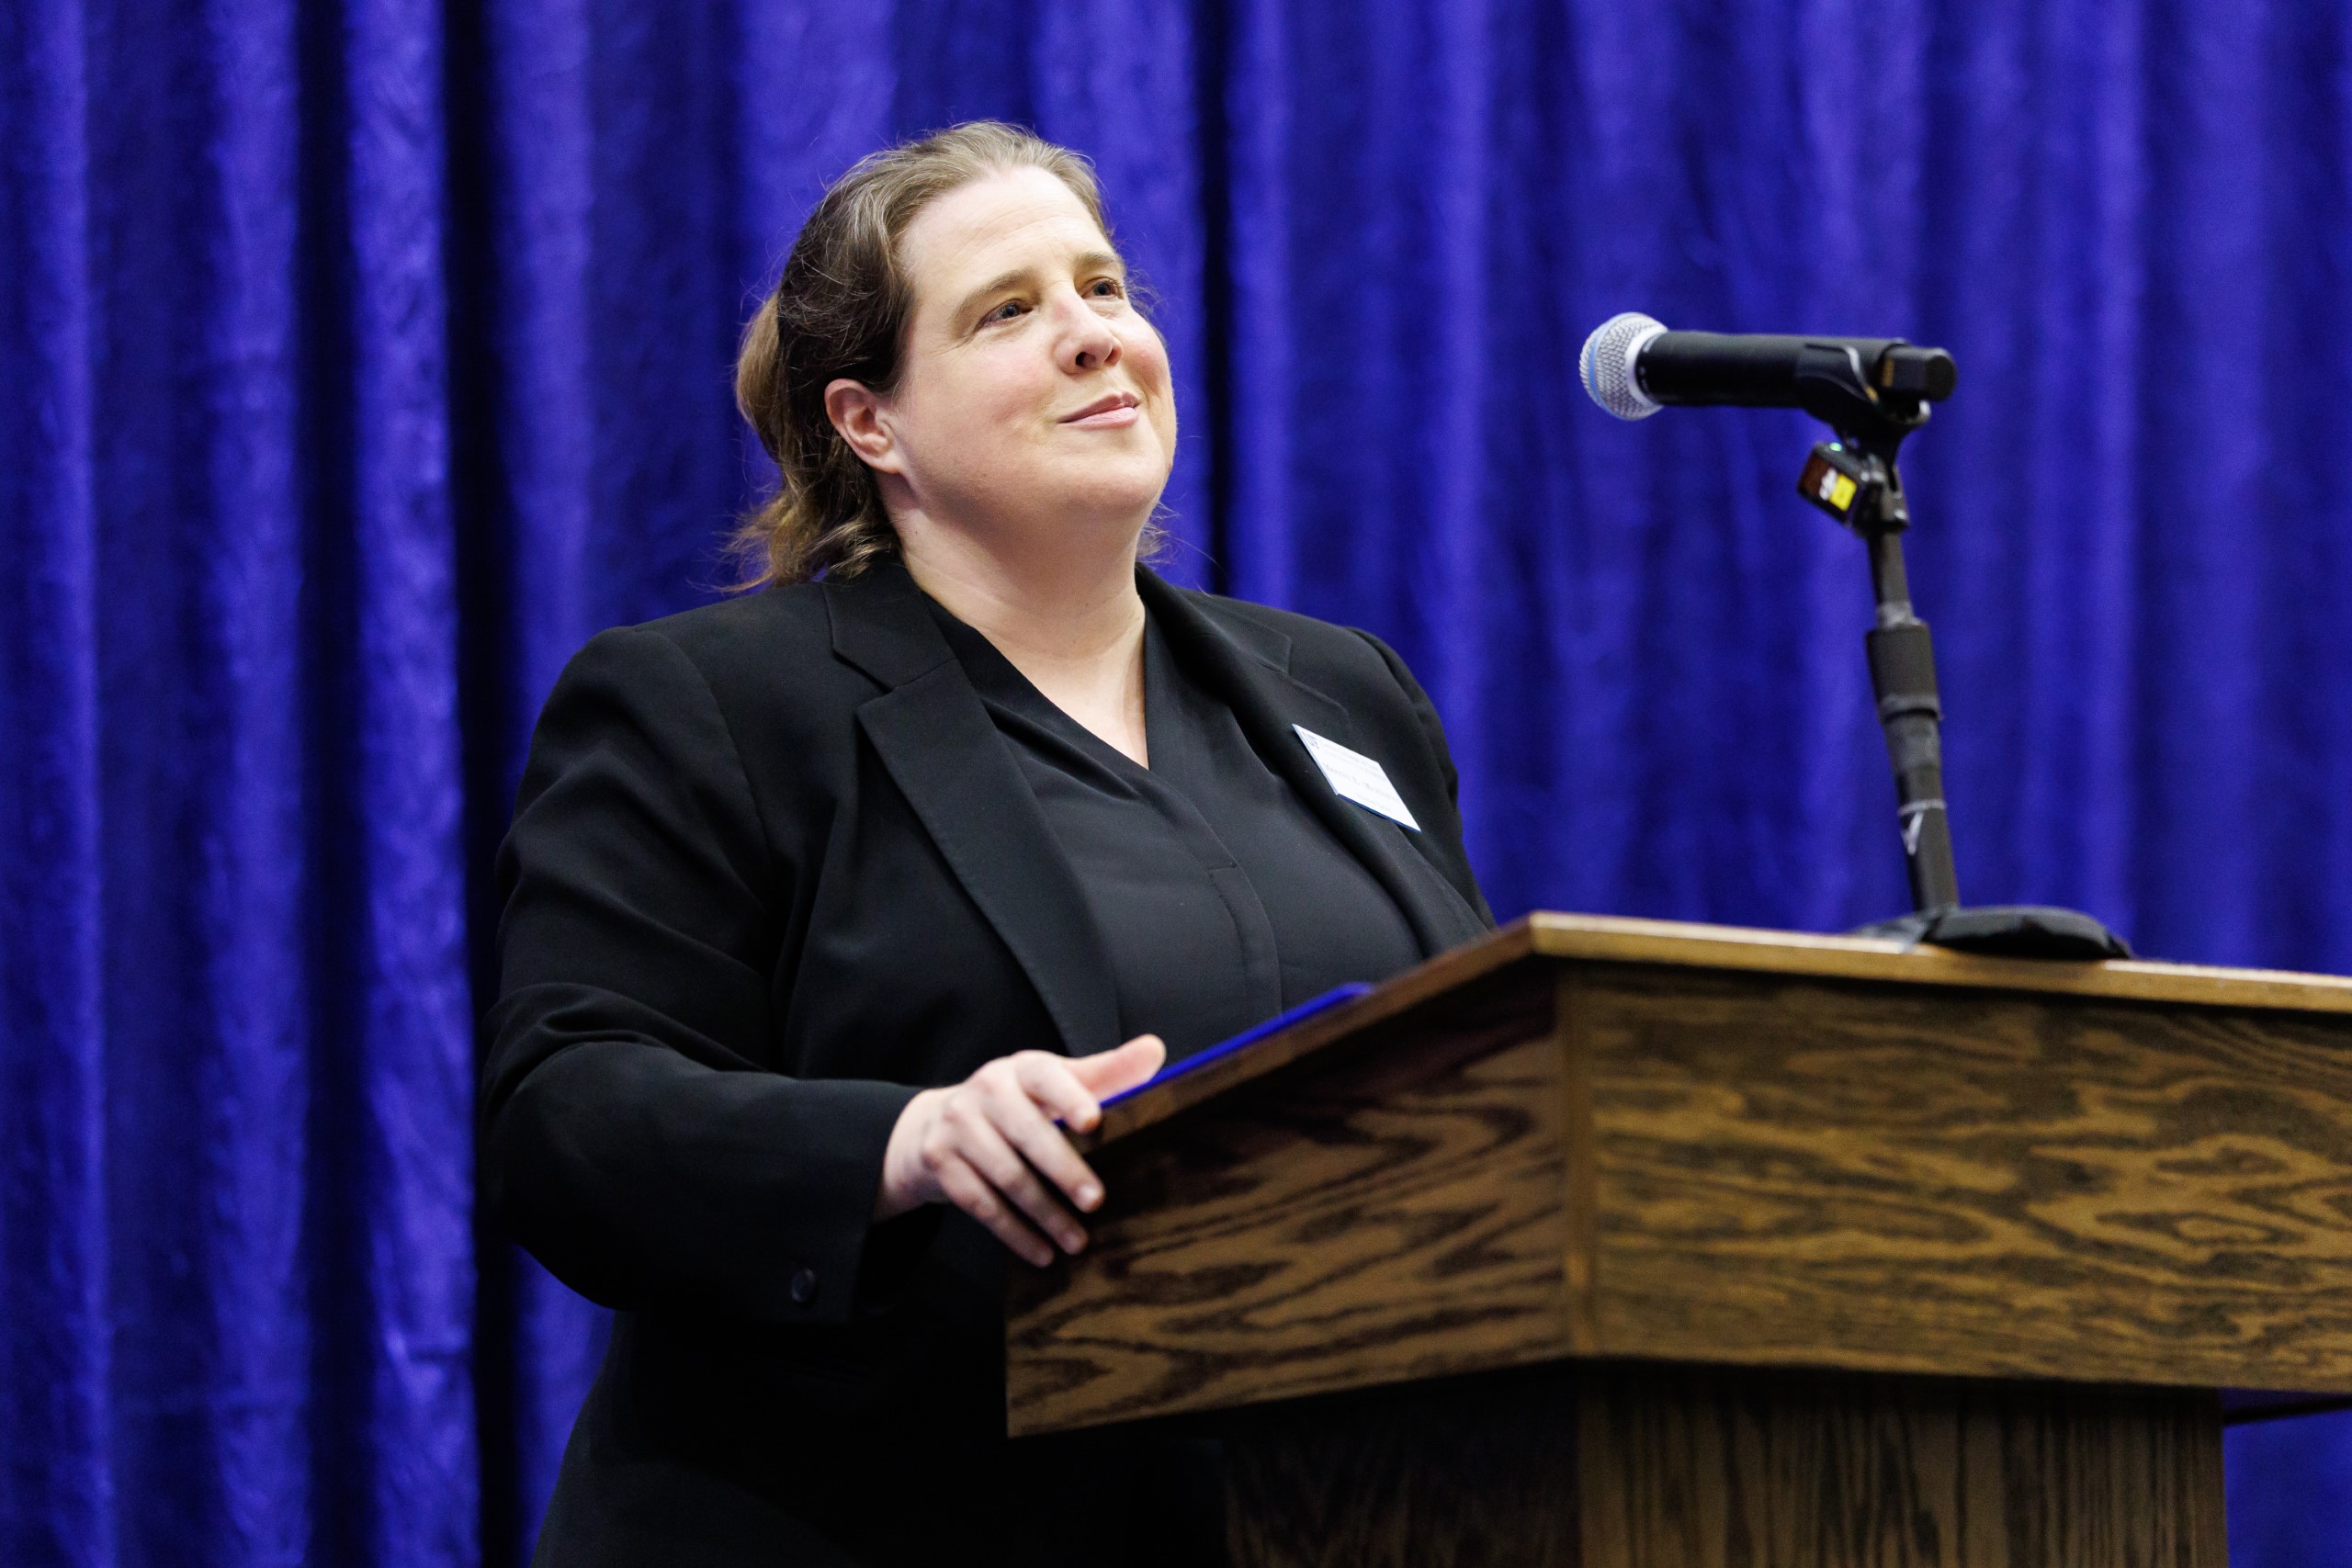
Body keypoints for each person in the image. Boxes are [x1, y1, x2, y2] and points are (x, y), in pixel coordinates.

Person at [481, 120, 1494, 1567]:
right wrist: (905, 1138)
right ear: (868, 424)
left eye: (1104, 289)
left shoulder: (1344, 693)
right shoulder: (715, 705)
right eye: (1009, 311)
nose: (1094, 338)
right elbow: (564, 1119)